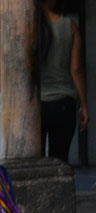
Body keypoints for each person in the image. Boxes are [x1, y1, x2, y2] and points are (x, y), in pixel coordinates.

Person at [39, 0, 89, 162]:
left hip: (36, 107)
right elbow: (76, 70)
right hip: (63, 103)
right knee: (59, 161)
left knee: (35, 162)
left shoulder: (29, 27)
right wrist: (84, 106)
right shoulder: (70, 26)